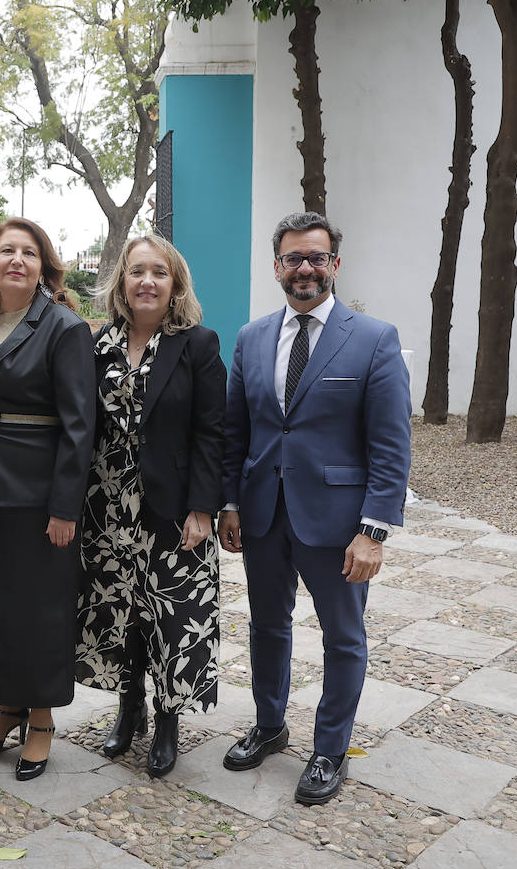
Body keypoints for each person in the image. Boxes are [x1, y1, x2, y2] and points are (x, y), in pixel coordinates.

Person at [218, 211, 411, 805]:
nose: (305, 268)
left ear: (335, 264)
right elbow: (236, 432)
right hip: (262, 515)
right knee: (267, 625)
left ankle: (330, 751)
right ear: (277, 267)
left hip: (337, 524)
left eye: (317, 257)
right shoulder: (252, 337)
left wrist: (374, 531)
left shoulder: (373, 338)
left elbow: (390, 442)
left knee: (342, 636)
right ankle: (271, 726)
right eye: (293, 258)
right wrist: (229, 502)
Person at [75, 235, 226, 778]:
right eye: (136, 271)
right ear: (121, 283)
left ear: (175, 284)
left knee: (171, 616)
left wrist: (204, 507)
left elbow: (212, 433)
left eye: (158, 272)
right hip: (107, 505)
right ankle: (129, 704)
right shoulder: (97, 346)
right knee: (123, 614)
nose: (147, 281)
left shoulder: (199, 345)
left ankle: (167, 720)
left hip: (173, 509)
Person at [0, 217, 96, 781]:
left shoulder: (63, 327)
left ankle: (40, 719)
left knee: (37, 607)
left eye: (29, 252)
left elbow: (80, 426)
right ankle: (7, 705)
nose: (16, 259)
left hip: (37, 493)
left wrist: (65, 507)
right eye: (6, 251)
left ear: (44, 266)